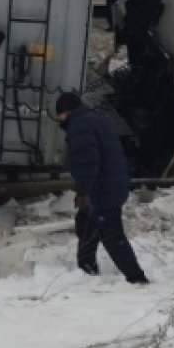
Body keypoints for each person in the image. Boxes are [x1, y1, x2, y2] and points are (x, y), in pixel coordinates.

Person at [55, 92, 150, 285]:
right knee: (86, 223)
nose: (60, 119)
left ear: (66, 112)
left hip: (105, 188)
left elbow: (87, 162)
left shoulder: (79, 126)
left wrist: (83, 191)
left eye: (60, 115)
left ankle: (136, 278)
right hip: (112, 183)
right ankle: (87, 268)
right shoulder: (94, 120)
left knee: (111, 234)